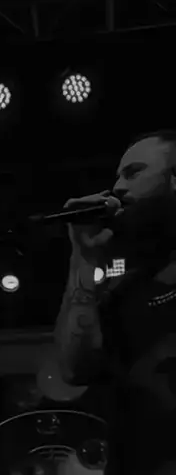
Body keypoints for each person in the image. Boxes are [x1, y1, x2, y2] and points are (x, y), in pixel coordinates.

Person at [54, 130, 176, 475]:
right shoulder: (127, 290)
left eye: (133, 173)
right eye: (117, 177)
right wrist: (83, 257)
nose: (117, 188)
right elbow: (74, 369)